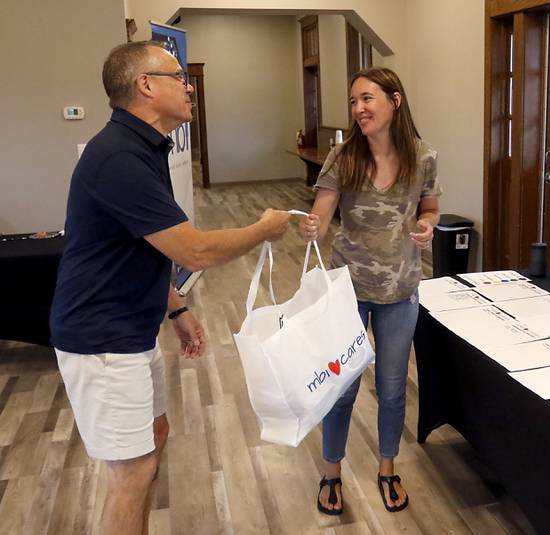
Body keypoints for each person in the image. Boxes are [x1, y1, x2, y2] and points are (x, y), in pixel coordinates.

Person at [49, 41, 291, 535]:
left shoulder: (145, 146)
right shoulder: (117, 157)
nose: (188, 86)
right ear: (145, 85)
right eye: (178, 76)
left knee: (155, 437)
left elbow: (142, 246)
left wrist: (177, 309)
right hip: (102, 342)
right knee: (130, 473)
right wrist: (264, 228)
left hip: (132, 332)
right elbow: (192, 251)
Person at [299, 67, 441, 515]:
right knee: (342, 386)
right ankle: (331, 472)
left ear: (394, 101)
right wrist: (311, 226)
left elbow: (431, 208)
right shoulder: (343, 157)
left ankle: (387, 467)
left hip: (401, 290)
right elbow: (322, 214)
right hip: (348, 291)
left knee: (394, 387)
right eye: (354, 102)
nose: (358, 109)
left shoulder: (423, 156)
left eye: (367, 99)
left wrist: (426, 226)